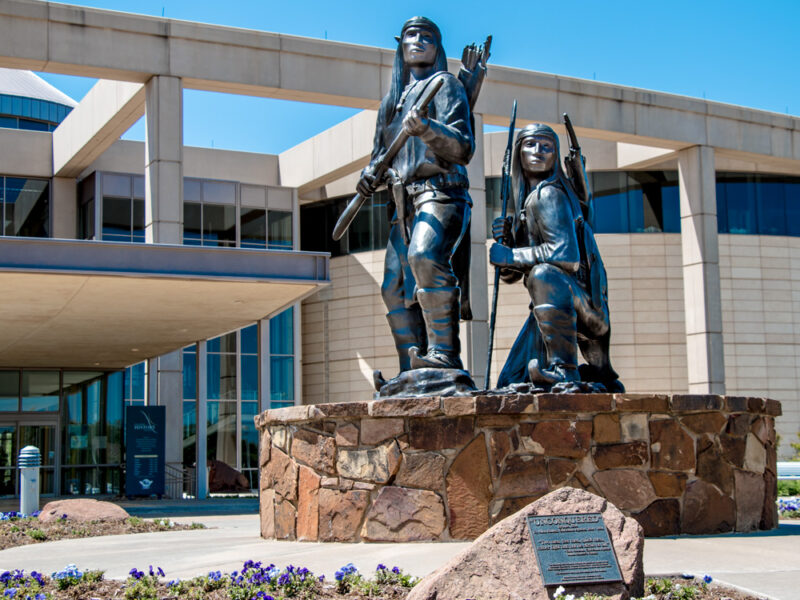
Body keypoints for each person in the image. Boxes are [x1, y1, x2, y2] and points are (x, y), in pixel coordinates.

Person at [357, 17, 475, 376]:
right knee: (393, 287)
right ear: (401, 45)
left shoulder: (446, 86)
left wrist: (426, 128)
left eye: (427, 36)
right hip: (404, 205)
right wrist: (368, 177)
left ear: (437, 48)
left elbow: (463, 147)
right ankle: (411, 367)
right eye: (411, 35)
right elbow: (381, 159)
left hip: (442, 194)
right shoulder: (390, 104)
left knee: (424, 256)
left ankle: (445, 356)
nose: (418, 41)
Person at [489, 123, 622, 391]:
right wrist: (507, 242)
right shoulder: (529, 203)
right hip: (553, 309)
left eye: (546, 146)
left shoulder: (549, 194)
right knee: (509, 382)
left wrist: (510, 254)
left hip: (579, 306)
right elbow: (512, 274)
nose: (538, 151)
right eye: (530, 145)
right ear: (518, 154)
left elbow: (565, 255)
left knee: (543, 274)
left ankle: (565, 370)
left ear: (555, 155)